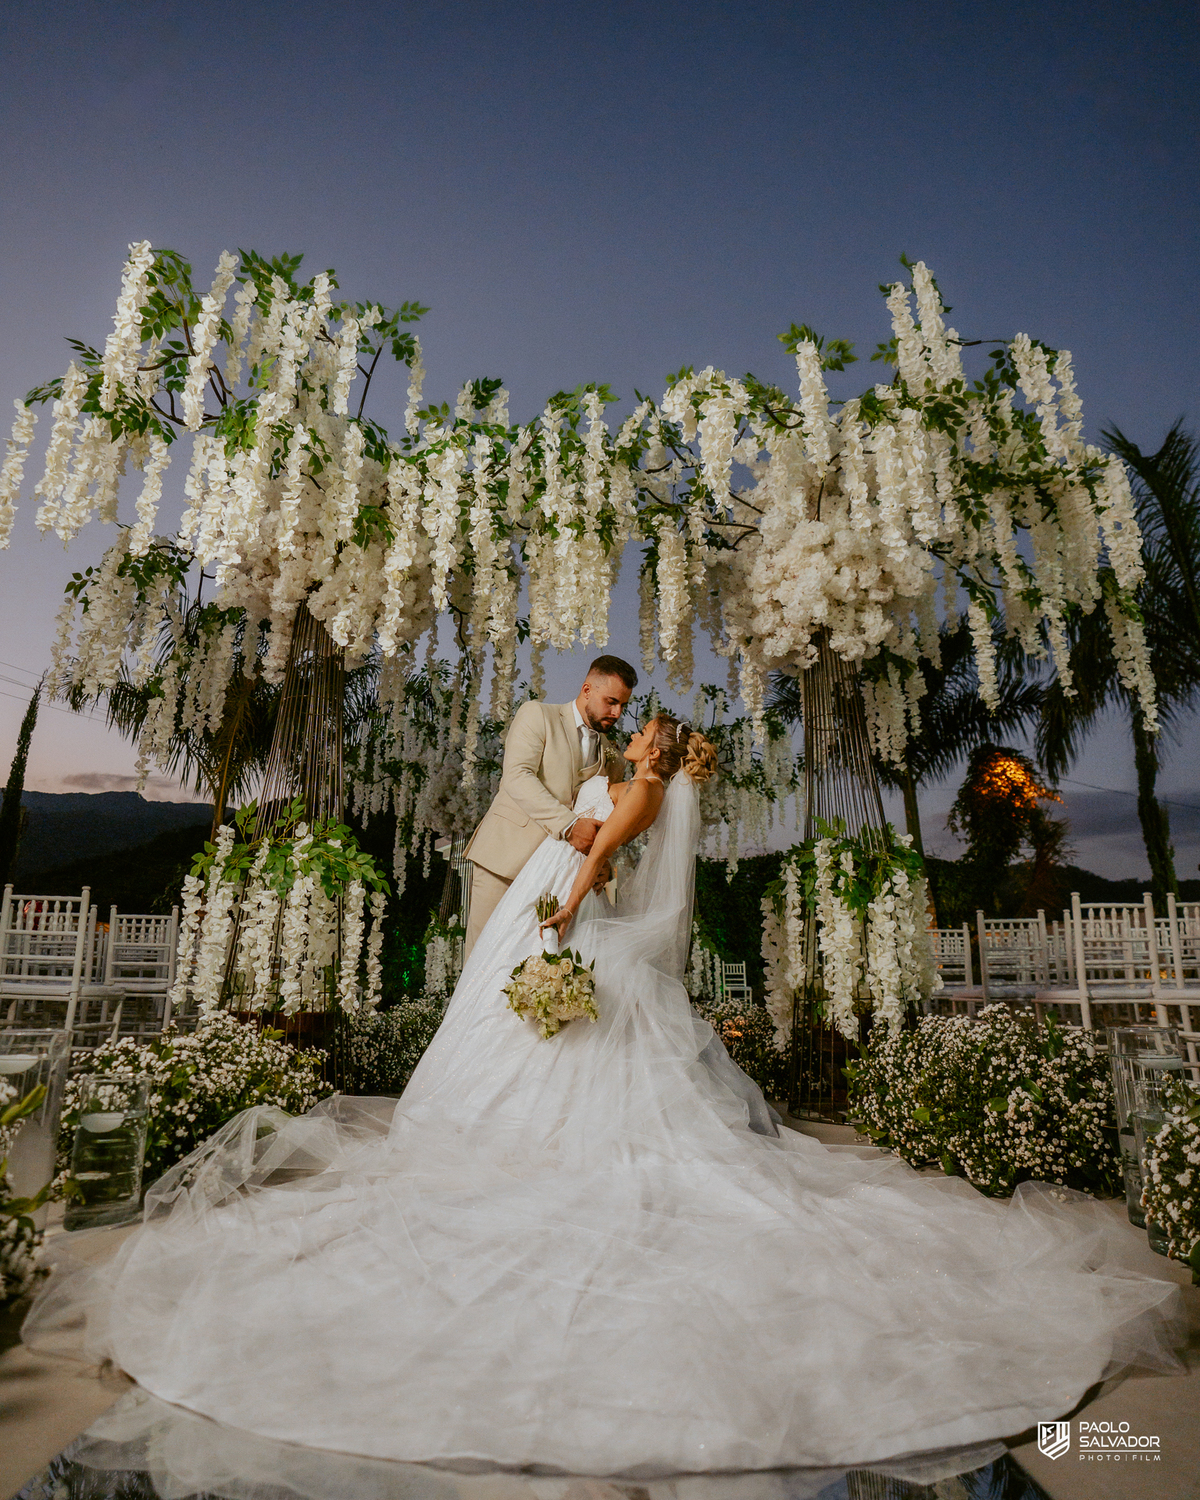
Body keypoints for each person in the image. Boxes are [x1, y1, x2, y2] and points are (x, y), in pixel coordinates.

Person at [24, 713, 1185, 1484]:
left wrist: (567, 910)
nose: (634, 743)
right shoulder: (648, 793)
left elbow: (597, 856)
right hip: (630, 950)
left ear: (655, 757)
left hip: (598, 940)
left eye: (644, 739)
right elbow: (623, 849)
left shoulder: (634, 795)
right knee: (606, 1084)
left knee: (568, 1074)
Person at [461, 654, 636, 957]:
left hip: (556, 876)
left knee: (535, 964)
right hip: (505, 859)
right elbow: (516, 777)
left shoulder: (613, 754)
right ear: (586, 690)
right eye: (611, 701)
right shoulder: (537, 715)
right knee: (484, 959)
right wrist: (568, 826)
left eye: (622, 705)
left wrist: (602, 862)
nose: (617, 712)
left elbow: (603, 814)